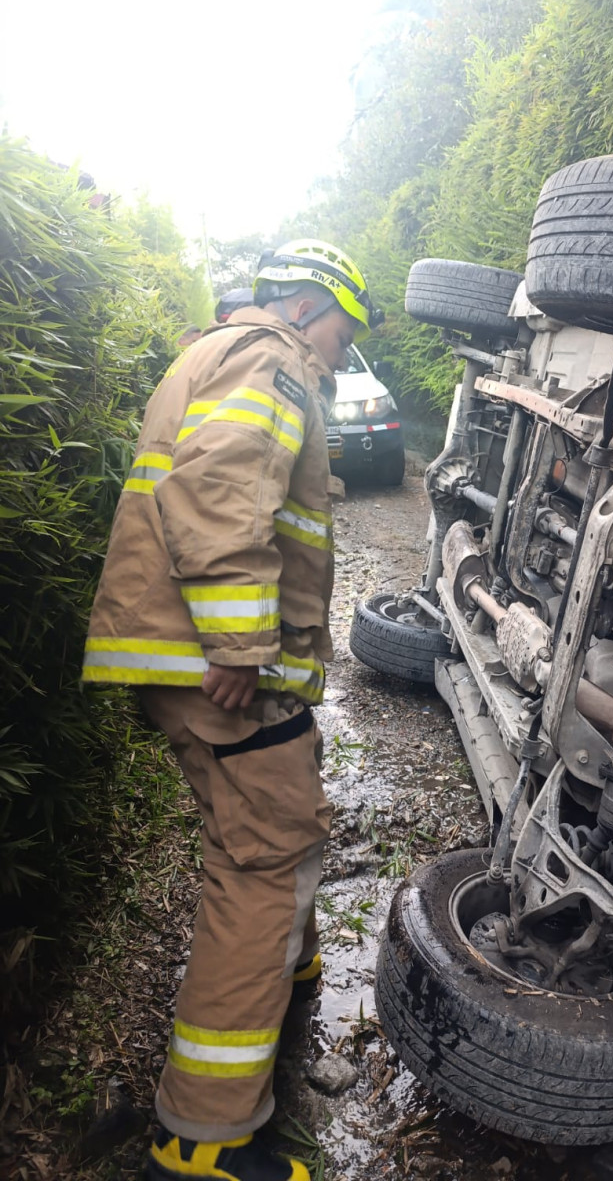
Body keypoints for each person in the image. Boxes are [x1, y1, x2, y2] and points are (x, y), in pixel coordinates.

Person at [82, 240, 382, 1181]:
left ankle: (284, 978)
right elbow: (216, 490)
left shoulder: (214, 347)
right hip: (216, 661)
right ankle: (204, 1135)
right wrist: (243, 646)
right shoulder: (273, 358)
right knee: (264, 857)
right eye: (343, 327)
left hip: (180, 651)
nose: (341, 350)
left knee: (266, 830)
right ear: (306, 306)